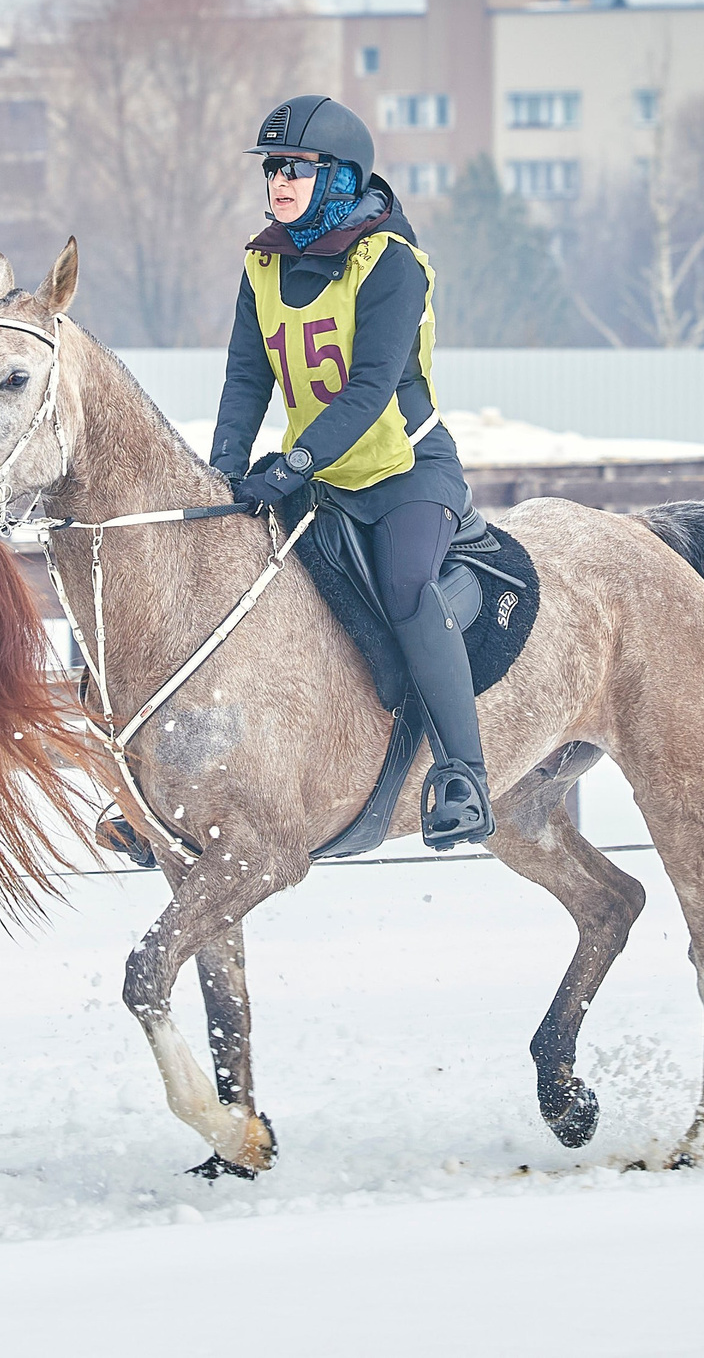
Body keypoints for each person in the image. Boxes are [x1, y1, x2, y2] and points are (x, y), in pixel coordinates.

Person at [208, 95, 492, 849]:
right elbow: (245, 379)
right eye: (273, 168)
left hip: (405, 471)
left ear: (339, 176)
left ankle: (464, 773)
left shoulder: (390, 261)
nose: (279, 181)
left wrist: (293, 461)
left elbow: (370, 388)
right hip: (322, 479)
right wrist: (223, 474)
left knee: (405, 588)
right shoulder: (263, 261)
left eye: (296, 168)